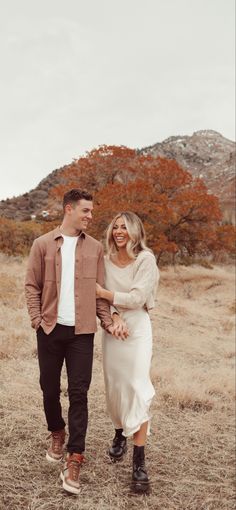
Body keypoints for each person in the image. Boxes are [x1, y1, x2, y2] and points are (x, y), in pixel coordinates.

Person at [25, 188, 127, 495]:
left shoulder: (95, 248)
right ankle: (57, 431)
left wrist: (108, 322)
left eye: (92, 211)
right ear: (69, 209)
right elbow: (31, 285)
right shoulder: (42, 244)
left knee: (79, 393)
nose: (91, 216)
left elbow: (99, 292)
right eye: (86, 211)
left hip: (82, 332)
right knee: (49, 388)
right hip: (50, 329)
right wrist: (36, 321)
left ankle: (75, 457)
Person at [96, 211, 159, 493]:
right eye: (115, 227)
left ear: (135, 231)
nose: (118, 232)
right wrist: (112, 317)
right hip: (113, 328)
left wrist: (107, 296)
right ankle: (119, 432)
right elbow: (99, 298)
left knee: (137, 385)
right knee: (115, 387)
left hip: (138, 328)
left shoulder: (146, 259)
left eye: (124, 227)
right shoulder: (106, 262)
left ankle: (138, 462)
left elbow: (137, 298)